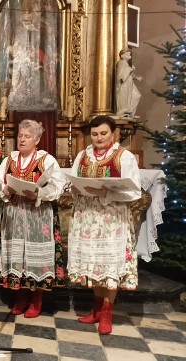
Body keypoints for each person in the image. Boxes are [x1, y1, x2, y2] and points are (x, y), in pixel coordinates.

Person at [67, 115, 141, 335]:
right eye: (95, 134)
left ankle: (107, 312)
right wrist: (76, 187)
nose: (98, 138)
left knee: (109, 265)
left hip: (111, 220)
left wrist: (106, 192)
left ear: (113, 133)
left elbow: (134, 191)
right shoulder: (83, 155)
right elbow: (74, 181)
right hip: (88, 218)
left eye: (103, 133)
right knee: (95, 263)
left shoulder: (124, 157)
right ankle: (97, 309)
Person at [0, 119, 66, 318]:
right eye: (20, 135)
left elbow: (58, 186)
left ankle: (36, 299)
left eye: (27, 136)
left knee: (35, 258)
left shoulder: (47, 160)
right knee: (17, 256)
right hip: (14, 214)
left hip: (37, 215)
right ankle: (21, 298)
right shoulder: (9, 159)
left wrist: (40, 194)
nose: (22, 139)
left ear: (37, 139)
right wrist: (5, 189)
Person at [115, 48, 142, 118]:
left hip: (129, 82)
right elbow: (121, 76)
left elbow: (129, 74)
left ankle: (130, 113)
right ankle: (124, 112)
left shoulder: (125, 63)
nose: (129, 54)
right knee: (125, 97)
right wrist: (131, 69)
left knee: (137, 96)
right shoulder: (121, 63)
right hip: (124, 84)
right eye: (127, 53)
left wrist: (137, 77)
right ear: (122, 55)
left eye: (129, 53)